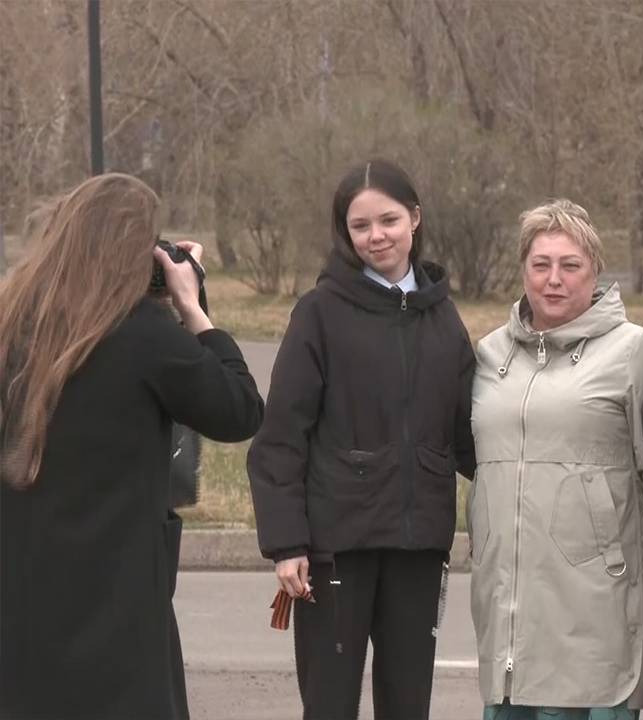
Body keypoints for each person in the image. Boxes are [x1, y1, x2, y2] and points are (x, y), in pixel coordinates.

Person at [0, 173, 264, 719]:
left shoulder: (13, 321)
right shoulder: (143, 333)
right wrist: (192, 308)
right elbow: (239, 410)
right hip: (118, 604)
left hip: (21, 594)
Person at [247, 159, 476, 719]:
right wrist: (286, 543)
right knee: (329, 705)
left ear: (414, 218)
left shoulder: (443, 318)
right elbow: (281, 438)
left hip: (419, 548)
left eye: (388, 220)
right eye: (360, 225)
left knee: (407, 705)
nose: (377, 236)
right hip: (335, 550)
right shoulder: (318, 314)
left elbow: (472, 435)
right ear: (344, 232)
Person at [468, 200, 643, 719]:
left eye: (570, 265)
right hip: (507, 618)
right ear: (524, 270)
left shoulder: (633, 351)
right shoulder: (490, 356)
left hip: (596, 610)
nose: (553, 279)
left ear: (595, 271)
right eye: (541, 265)